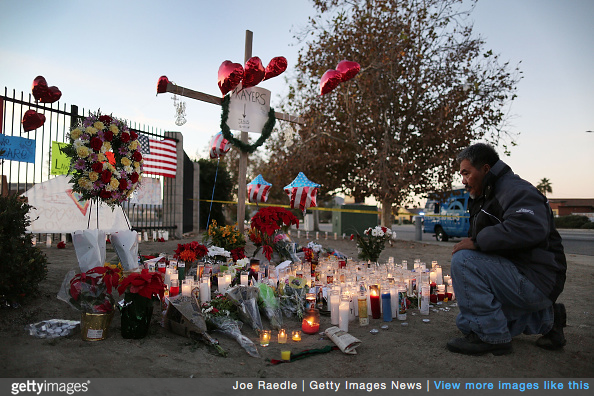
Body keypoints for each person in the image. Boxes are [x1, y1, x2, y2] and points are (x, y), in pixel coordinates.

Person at [447, 143, 567, 355]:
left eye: (466, 173)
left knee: (464, 260)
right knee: (466, 322)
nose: (463, 181)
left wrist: (477, 242)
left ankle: (492, 337)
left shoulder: (514, 189)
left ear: (485, 169)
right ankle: (547, 319)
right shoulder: (486, 194)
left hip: (537, 279)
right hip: (518, 273)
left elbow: (528, 226)